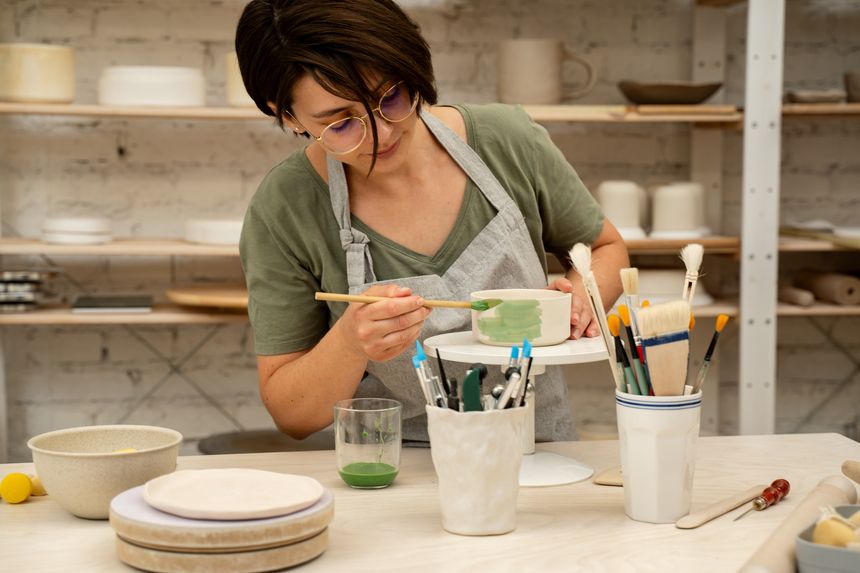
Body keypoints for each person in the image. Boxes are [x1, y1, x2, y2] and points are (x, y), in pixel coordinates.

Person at [235, 0, 628, 443]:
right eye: (342, 123)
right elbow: (292, 414)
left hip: (537, 450)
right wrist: (350, 343)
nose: (383, 134)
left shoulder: (506, 140)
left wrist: (580, 296)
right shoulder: (285, 207)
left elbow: (603, 247)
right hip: (393, 470)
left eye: (391, 97)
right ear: (287, 115)